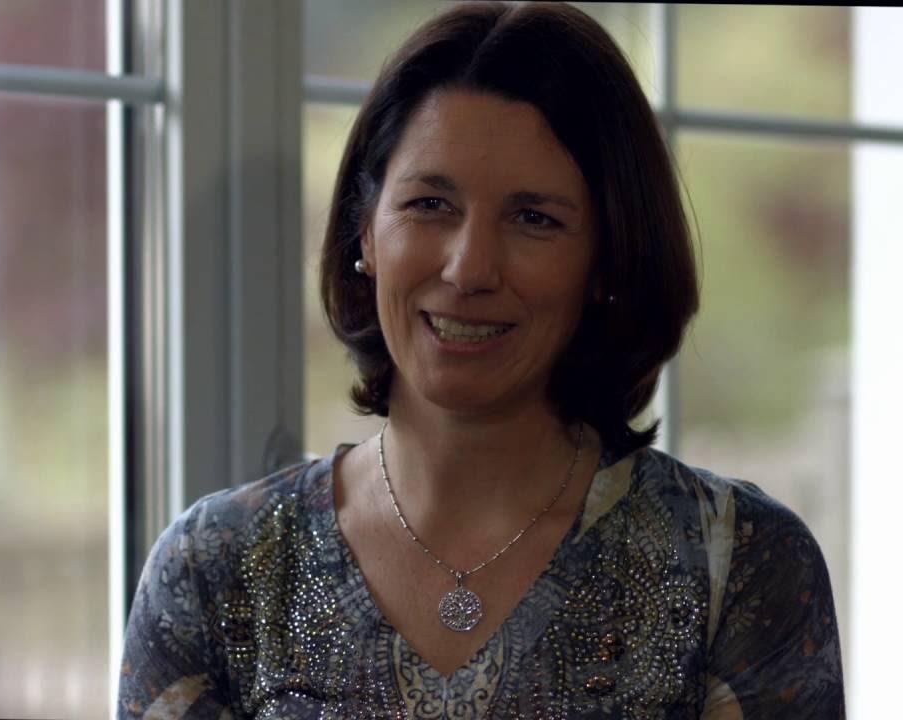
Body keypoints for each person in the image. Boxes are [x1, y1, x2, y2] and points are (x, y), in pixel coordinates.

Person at [117, 2, 845, 717]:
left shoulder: (738, 565)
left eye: (534, 219)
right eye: (430, 205)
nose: (469, 270)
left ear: (607, 262)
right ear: (365, 233)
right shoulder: (214, 570)